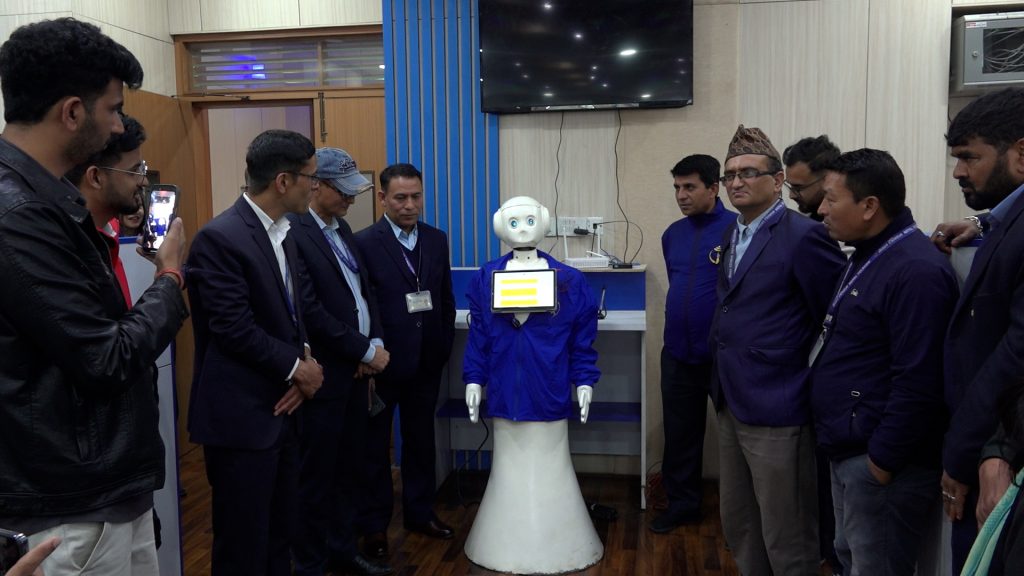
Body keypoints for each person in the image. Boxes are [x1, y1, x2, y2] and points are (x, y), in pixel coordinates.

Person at [0, 17, 189, 576]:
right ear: (72, 112)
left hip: (100, 491)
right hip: (69, 507)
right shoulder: (19, 216)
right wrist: (170, 278)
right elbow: (106, 358)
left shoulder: (51, 203)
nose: (117, 126)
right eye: (112, 109)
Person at [811, 148, 958, 575]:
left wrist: (881, 463)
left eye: (831, 199)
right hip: (851, 448)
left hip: (881, 463)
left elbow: (920, 381)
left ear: (869, 206)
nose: (821, 210)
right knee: (849, 556)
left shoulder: (916, 271)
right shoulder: (868, 253)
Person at [185, 129, 325, 576]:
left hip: (284, 411)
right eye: (311, 177)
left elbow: (292, 314)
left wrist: (304, 361)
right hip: (242, 420)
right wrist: (297, 369)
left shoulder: (286, 233)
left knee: (280, 538)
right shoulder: (220, 238)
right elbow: (233, 328)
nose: (315, 187)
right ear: (283, 181)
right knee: (243, 547)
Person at [709, 125, 845, 576]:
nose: (736, 182)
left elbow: (833, 318)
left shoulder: (803, 235)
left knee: (787, 529)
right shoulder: (733, 233)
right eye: (730, 175)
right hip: (730, 398)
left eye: (748, 172)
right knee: (740, 521)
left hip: (778, 401)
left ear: (778, 180)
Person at [462, 196, 603, 574]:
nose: (522, 229)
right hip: (504, 388)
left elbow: (582, 340)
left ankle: (561, 541)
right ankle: (502, 539)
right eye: (513, 222)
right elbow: (479, 338)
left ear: (542, 222)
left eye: (529, 220)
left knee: (551, 464)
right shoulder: (486, 278)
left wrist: (584, 381)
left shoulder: (569, 281)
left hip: (549, 388)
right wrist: (474, 379)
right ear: (499, 226)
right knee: (508, 467)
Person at [287, 148, 392, 576]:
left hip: (355, 373)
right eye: (343, 191)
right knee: (316, 477)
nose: (351, 199)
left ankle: (343, 551)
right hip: (324, 376)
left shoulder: (341, 227)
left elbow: (364, 292)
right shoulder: (294, 232)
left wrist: (374, 341)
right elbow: (310, 310)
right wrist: (364, 351)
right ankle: (311, 563)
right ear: (316, 184)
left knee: (349, 468)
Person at [940, 87, 1024, 573]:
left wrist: (964, 450)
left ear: (1020, 154)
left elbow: (1014, 357)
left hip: (999, 453)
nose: (958, 171)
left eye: (969, 157)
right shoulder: (1000, 221)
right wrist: (983, 223)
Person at [354, 163, 457, 558]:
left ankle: (419, 513)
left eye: (416, 197)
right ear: (383, 198)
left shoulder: (436, 239)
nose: (410, 205)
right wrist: (370, 353)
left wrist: (443, 345)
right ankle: (374, 526)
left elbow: (444, 296)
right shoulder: (365, 242)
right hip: (382, 365)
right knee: (374, 449)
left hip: (426, 361)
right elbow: (364, 304)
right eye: (400, 198)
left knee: (421, 441)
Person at [650, 154, 735, 534]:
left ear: (714, 188)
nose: (681, 195)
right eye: (676, 188)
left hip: (723, 355)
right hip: (678, 354)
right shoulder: (673, 234)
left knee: (738, 437)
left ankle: (740, 518)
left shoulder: (738, 230)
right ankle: (682, 505)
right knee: (680, 435)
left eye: (690, 187)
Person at [66, 115, 149, 309]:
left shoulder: (109, 235)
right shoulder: (70, 251)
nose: (144, 181)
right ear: (95, 177)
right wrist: (169, 276)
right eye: (134, 171)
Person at [782, 135, 840, 219]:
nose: (791, 196)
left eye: (798, 188)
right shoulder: (808, 218)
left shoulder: (844, 222)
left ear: (827, 179)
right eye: (790, 186)